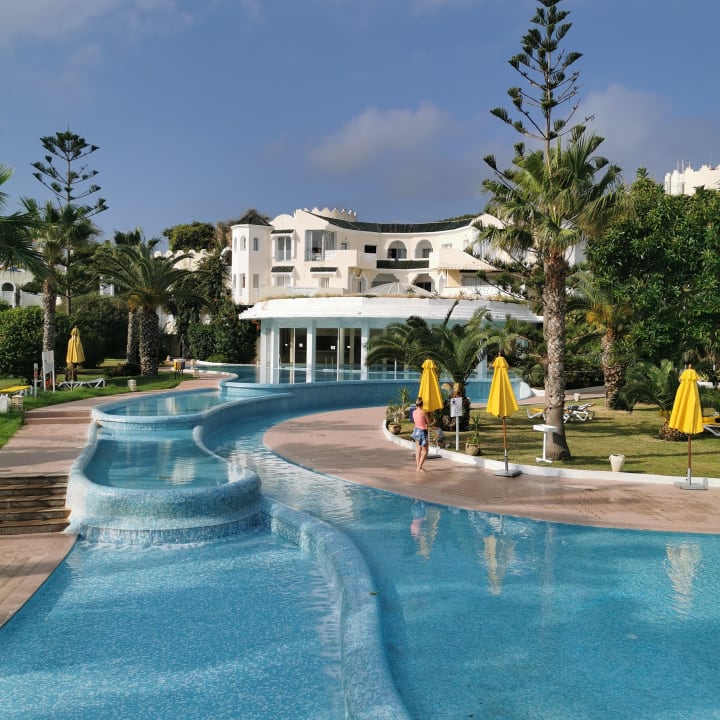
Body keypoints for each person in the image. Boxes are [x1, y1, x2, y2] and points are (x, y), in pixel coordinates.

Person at [412, 396, 431, 471]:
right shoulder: (423, 412)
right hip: (422, 432)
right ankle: (419, 468)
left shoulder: (414, 412)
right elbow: (429, 422)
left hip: (416, 431)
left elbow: (417, 421)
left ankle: (418, 467)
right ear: (422, 405)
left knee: (418, 450)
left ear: (416, 405)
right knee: (425, 451)